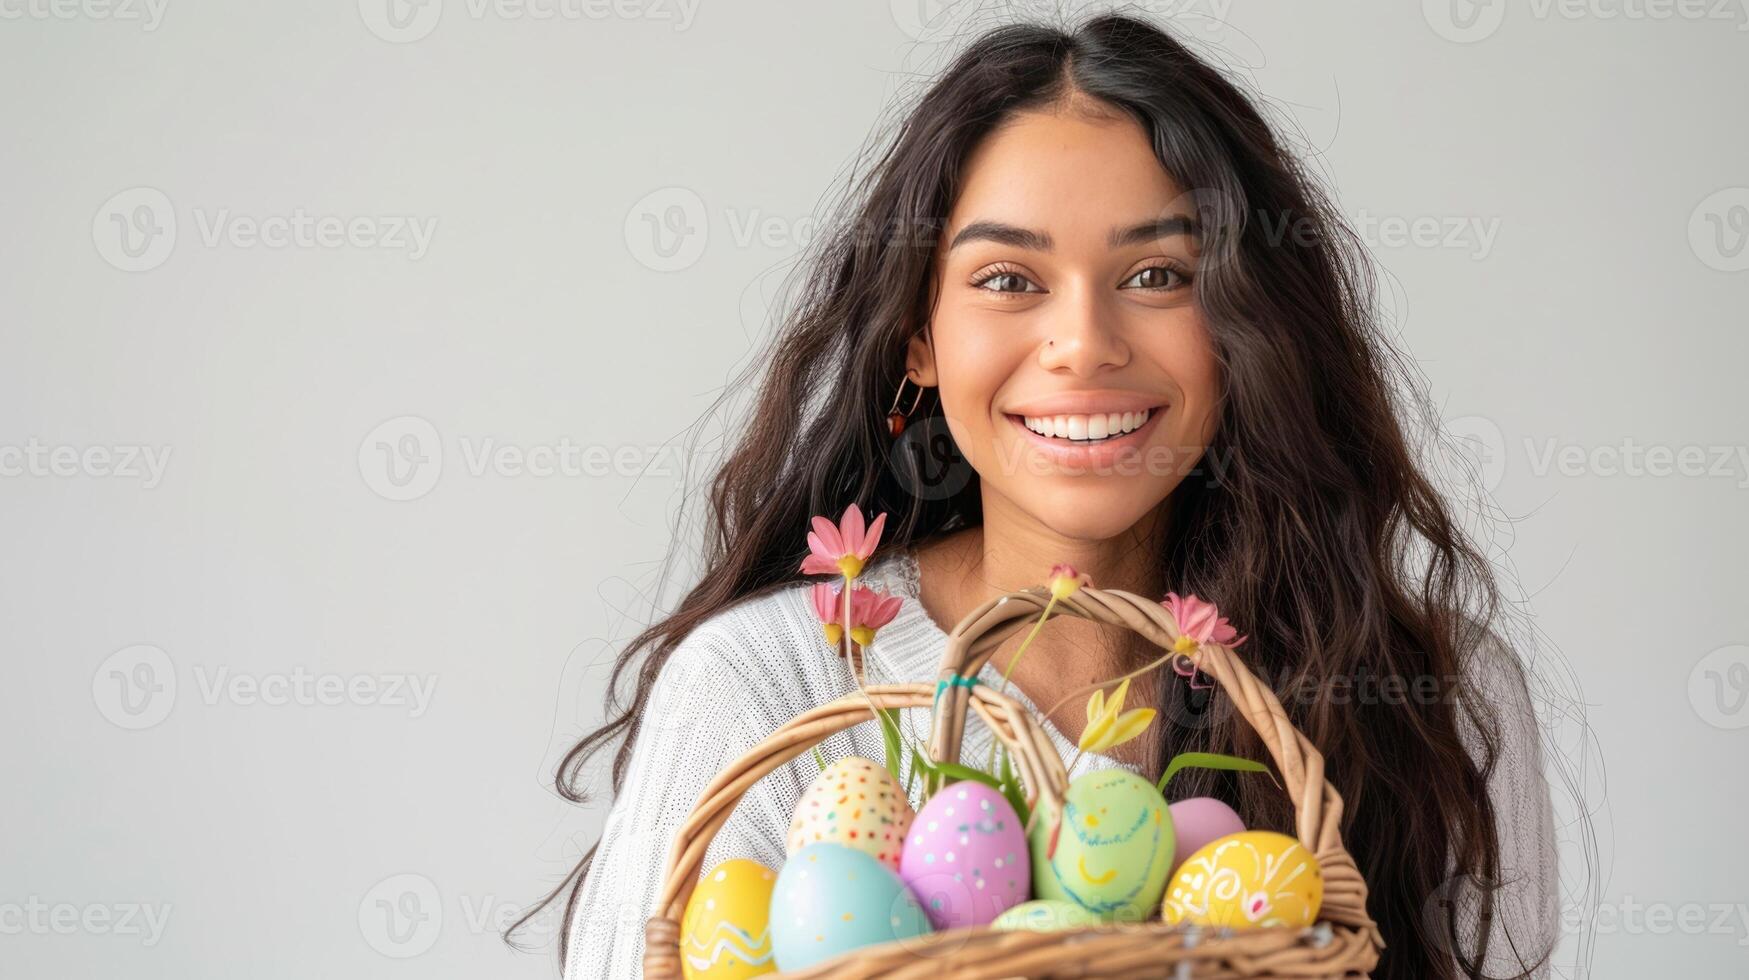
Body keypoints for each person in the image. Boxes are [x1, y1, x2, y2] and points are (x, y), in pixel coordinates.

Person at [521, 14, 1559, 979]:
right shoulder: (765, 693)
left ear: (1248, 330)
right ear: (919, 337)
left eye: (1157, 275)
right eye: (1009, 280)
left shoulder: (1432, 701)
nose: (1084, 346)